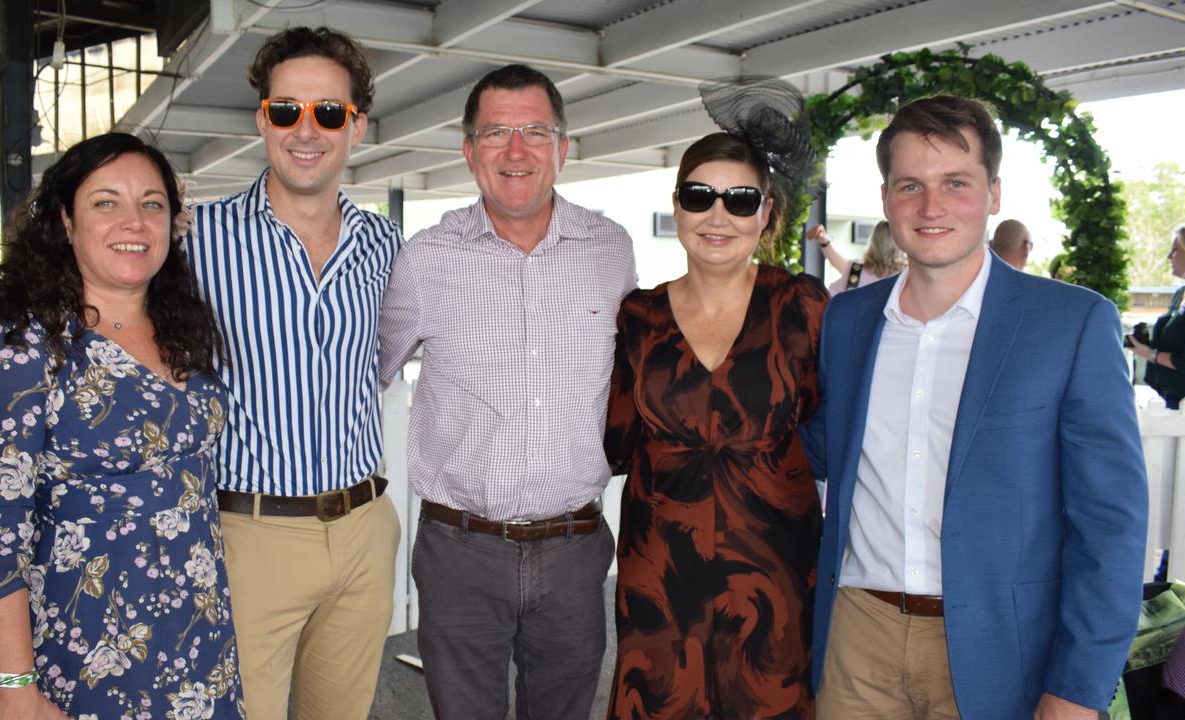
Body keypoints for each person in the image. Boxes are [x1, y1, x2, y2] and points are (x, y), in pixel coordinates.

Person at [0, 27, 402, 720]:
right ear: (263, 118)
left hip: (366, 525)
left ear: (356, 125)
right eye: (287, 110)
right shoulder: (195, 238)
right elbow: (100, 270)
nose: (306, 129)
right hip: (249, 536)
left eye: (329, 112)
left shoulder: (384, 244)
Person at [802, 95, 1148, 719]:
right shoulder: (848, 320)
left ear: (993, 194)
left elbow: (1110, 525)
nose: (931, 207)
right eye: (911, 185)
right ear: (886, 199)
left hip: (1003, 648)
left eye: (955, 183)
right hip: (857, 637)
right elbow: (819, 446)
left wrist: (1078, 686)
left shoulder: (1071, 323)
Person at [0, 132, 243, 719]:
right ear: (66, 221)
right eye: (106, 202)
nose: (132, 222)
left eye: (151, 204)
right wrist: (15, 686)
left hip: (197, 643)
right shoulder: (25, 350)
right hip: (82, 654)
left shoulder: (185, 331)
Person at [378, 63, 636, 719]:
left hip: (577, 550)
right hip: (460, 552)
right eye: (496, 133)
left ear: (562, 147)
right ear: (469, 152)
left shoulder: (611, 251)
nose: (516, 151)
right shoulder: (426, 259)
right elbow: (361, 373)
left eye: (534, 131)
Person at [604, 78, 826, 720]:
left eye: (740, 199)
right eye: (700, 196)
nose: (718, 215)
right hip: (658, 579)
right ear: (677, 207)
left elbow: (827, 424)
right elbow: (617, 441)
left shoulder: (803, 309)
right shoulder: (638, 317)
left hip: (776, 577)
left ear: (766, 212)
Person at [1129, 224, 1185, 409]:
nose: (1169, 257)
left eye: (1175, 250)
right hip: (1165, 398)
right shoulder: (1180, 294)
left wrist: (1152, 355)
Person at [808, 221, 905, 295]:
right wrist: (823, 240)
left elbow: (830, 301)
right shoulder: (908, 276)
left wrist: (823, 240)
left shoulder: (856, 271)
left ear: (873, 241)